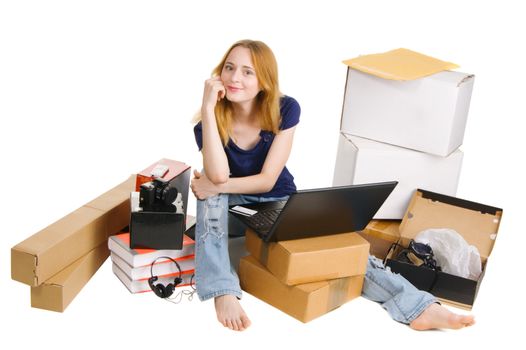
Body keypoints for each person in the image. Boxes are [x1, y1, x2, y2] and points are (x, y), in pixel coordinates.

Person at [190, 39, 475, 332]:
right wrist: (208, 109)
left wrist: (217, 187)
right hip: (231, 209)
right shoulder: (207, 124)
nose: (235, 77)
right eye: (229, 67)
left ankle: (418, 306)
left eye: (248, 72)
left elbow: (267, 180)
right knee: (208, 196)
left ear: (264, 80)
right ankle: (222, 289)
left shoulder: (284, 109)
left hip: (277, 200)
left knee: (338, 249)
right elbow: (219, 177)